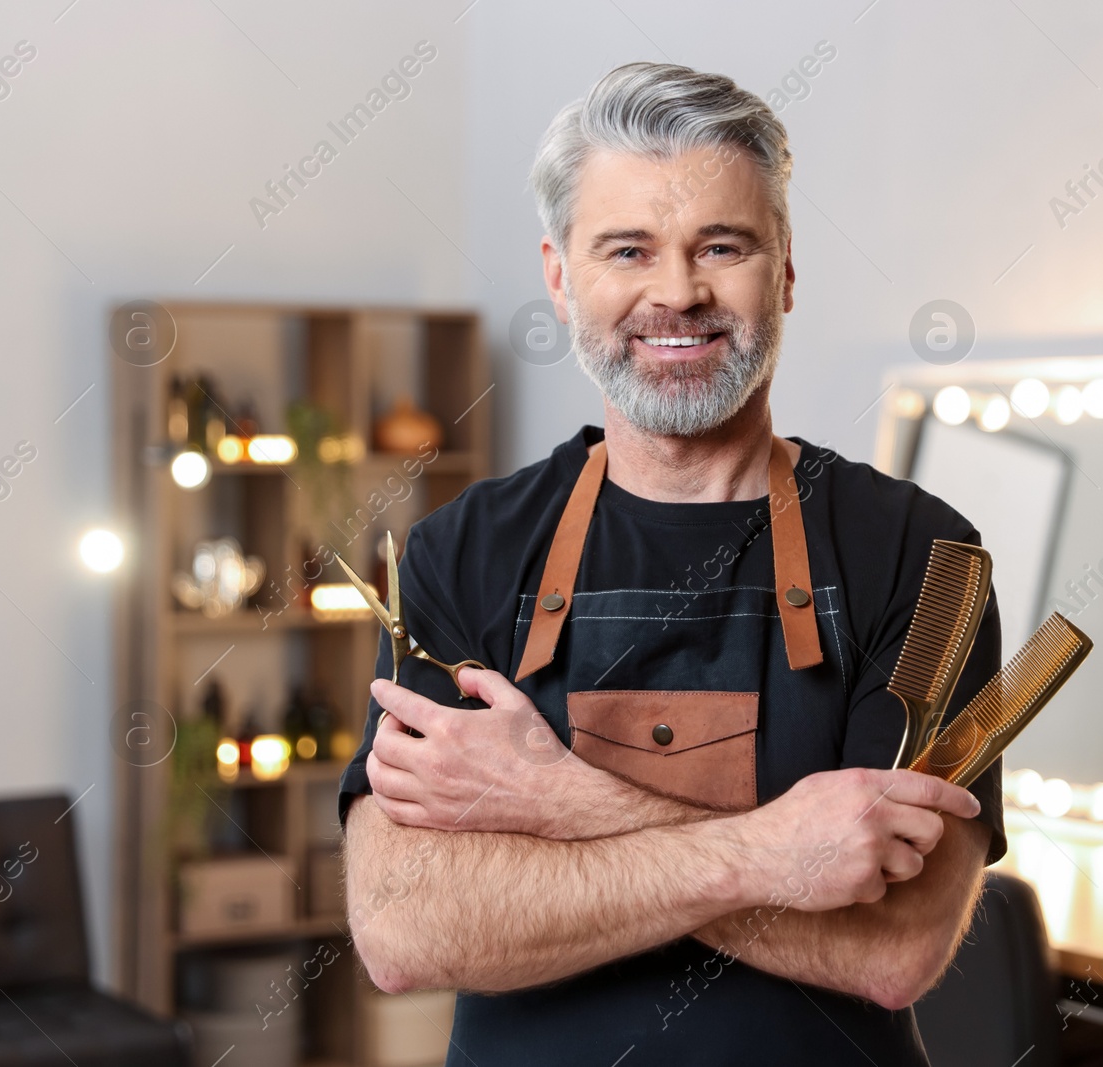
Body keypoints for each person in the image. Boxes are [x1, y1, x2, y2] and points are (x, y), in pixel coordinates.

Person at [339, 61, 1007, 1067]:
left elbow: (893, 947)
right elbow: (403, 929)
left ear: (782, 270)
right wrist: (768, 853)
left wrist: (561, 804)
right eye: (628, 249)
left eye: (722, 246)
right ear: (562, 278)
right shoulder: (460, 553)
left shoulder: (923, 559)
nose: (677, 292)